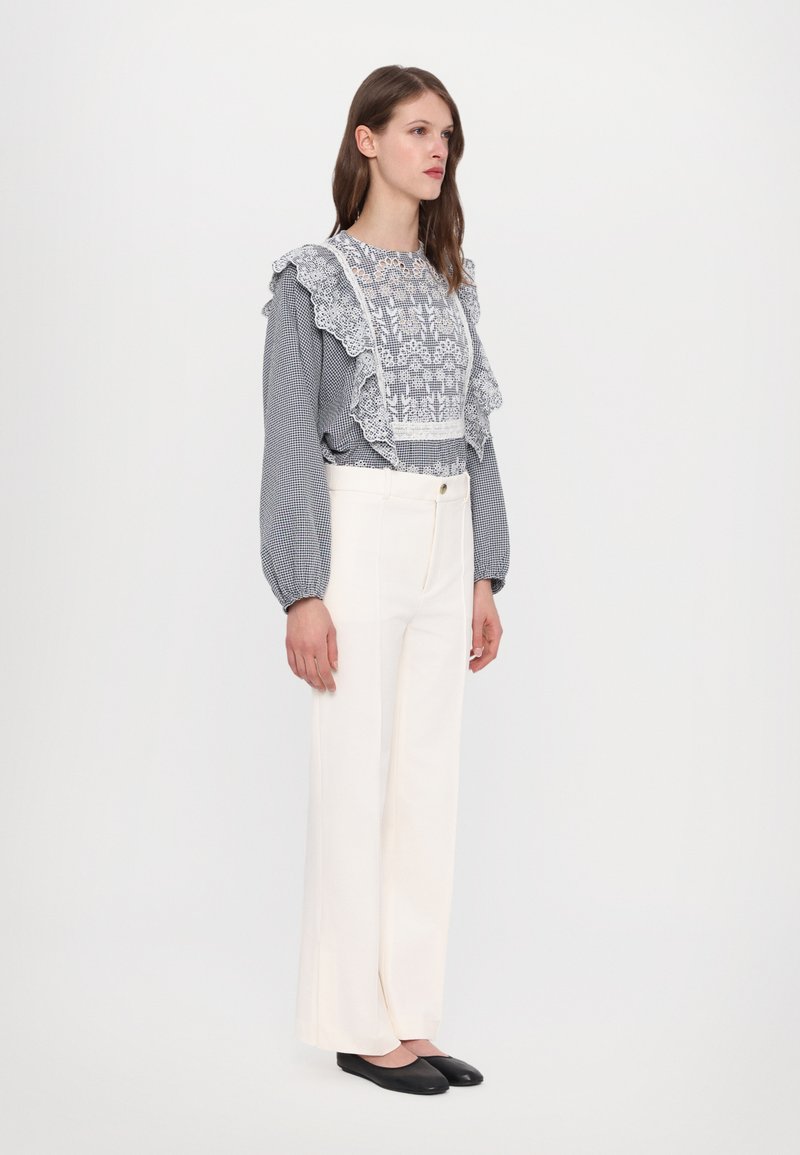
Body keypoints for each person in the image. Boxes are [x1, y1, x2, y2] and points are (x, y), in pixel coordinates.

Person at [259, 64, 510, 1095]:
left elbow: (476, 434)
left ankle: (410, 1012)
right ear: (365, 139)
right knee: (354, 776)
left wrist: (486, 572)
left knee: (425, 783)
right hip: (358, 532)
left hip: (445, 533)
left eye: (446, 134)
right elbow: (289, 439)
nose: (436, 149)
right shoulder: (312, 278)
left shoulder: (452, 282)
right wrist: (302, 588)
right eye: (416, 129)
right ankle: (356, 1025)